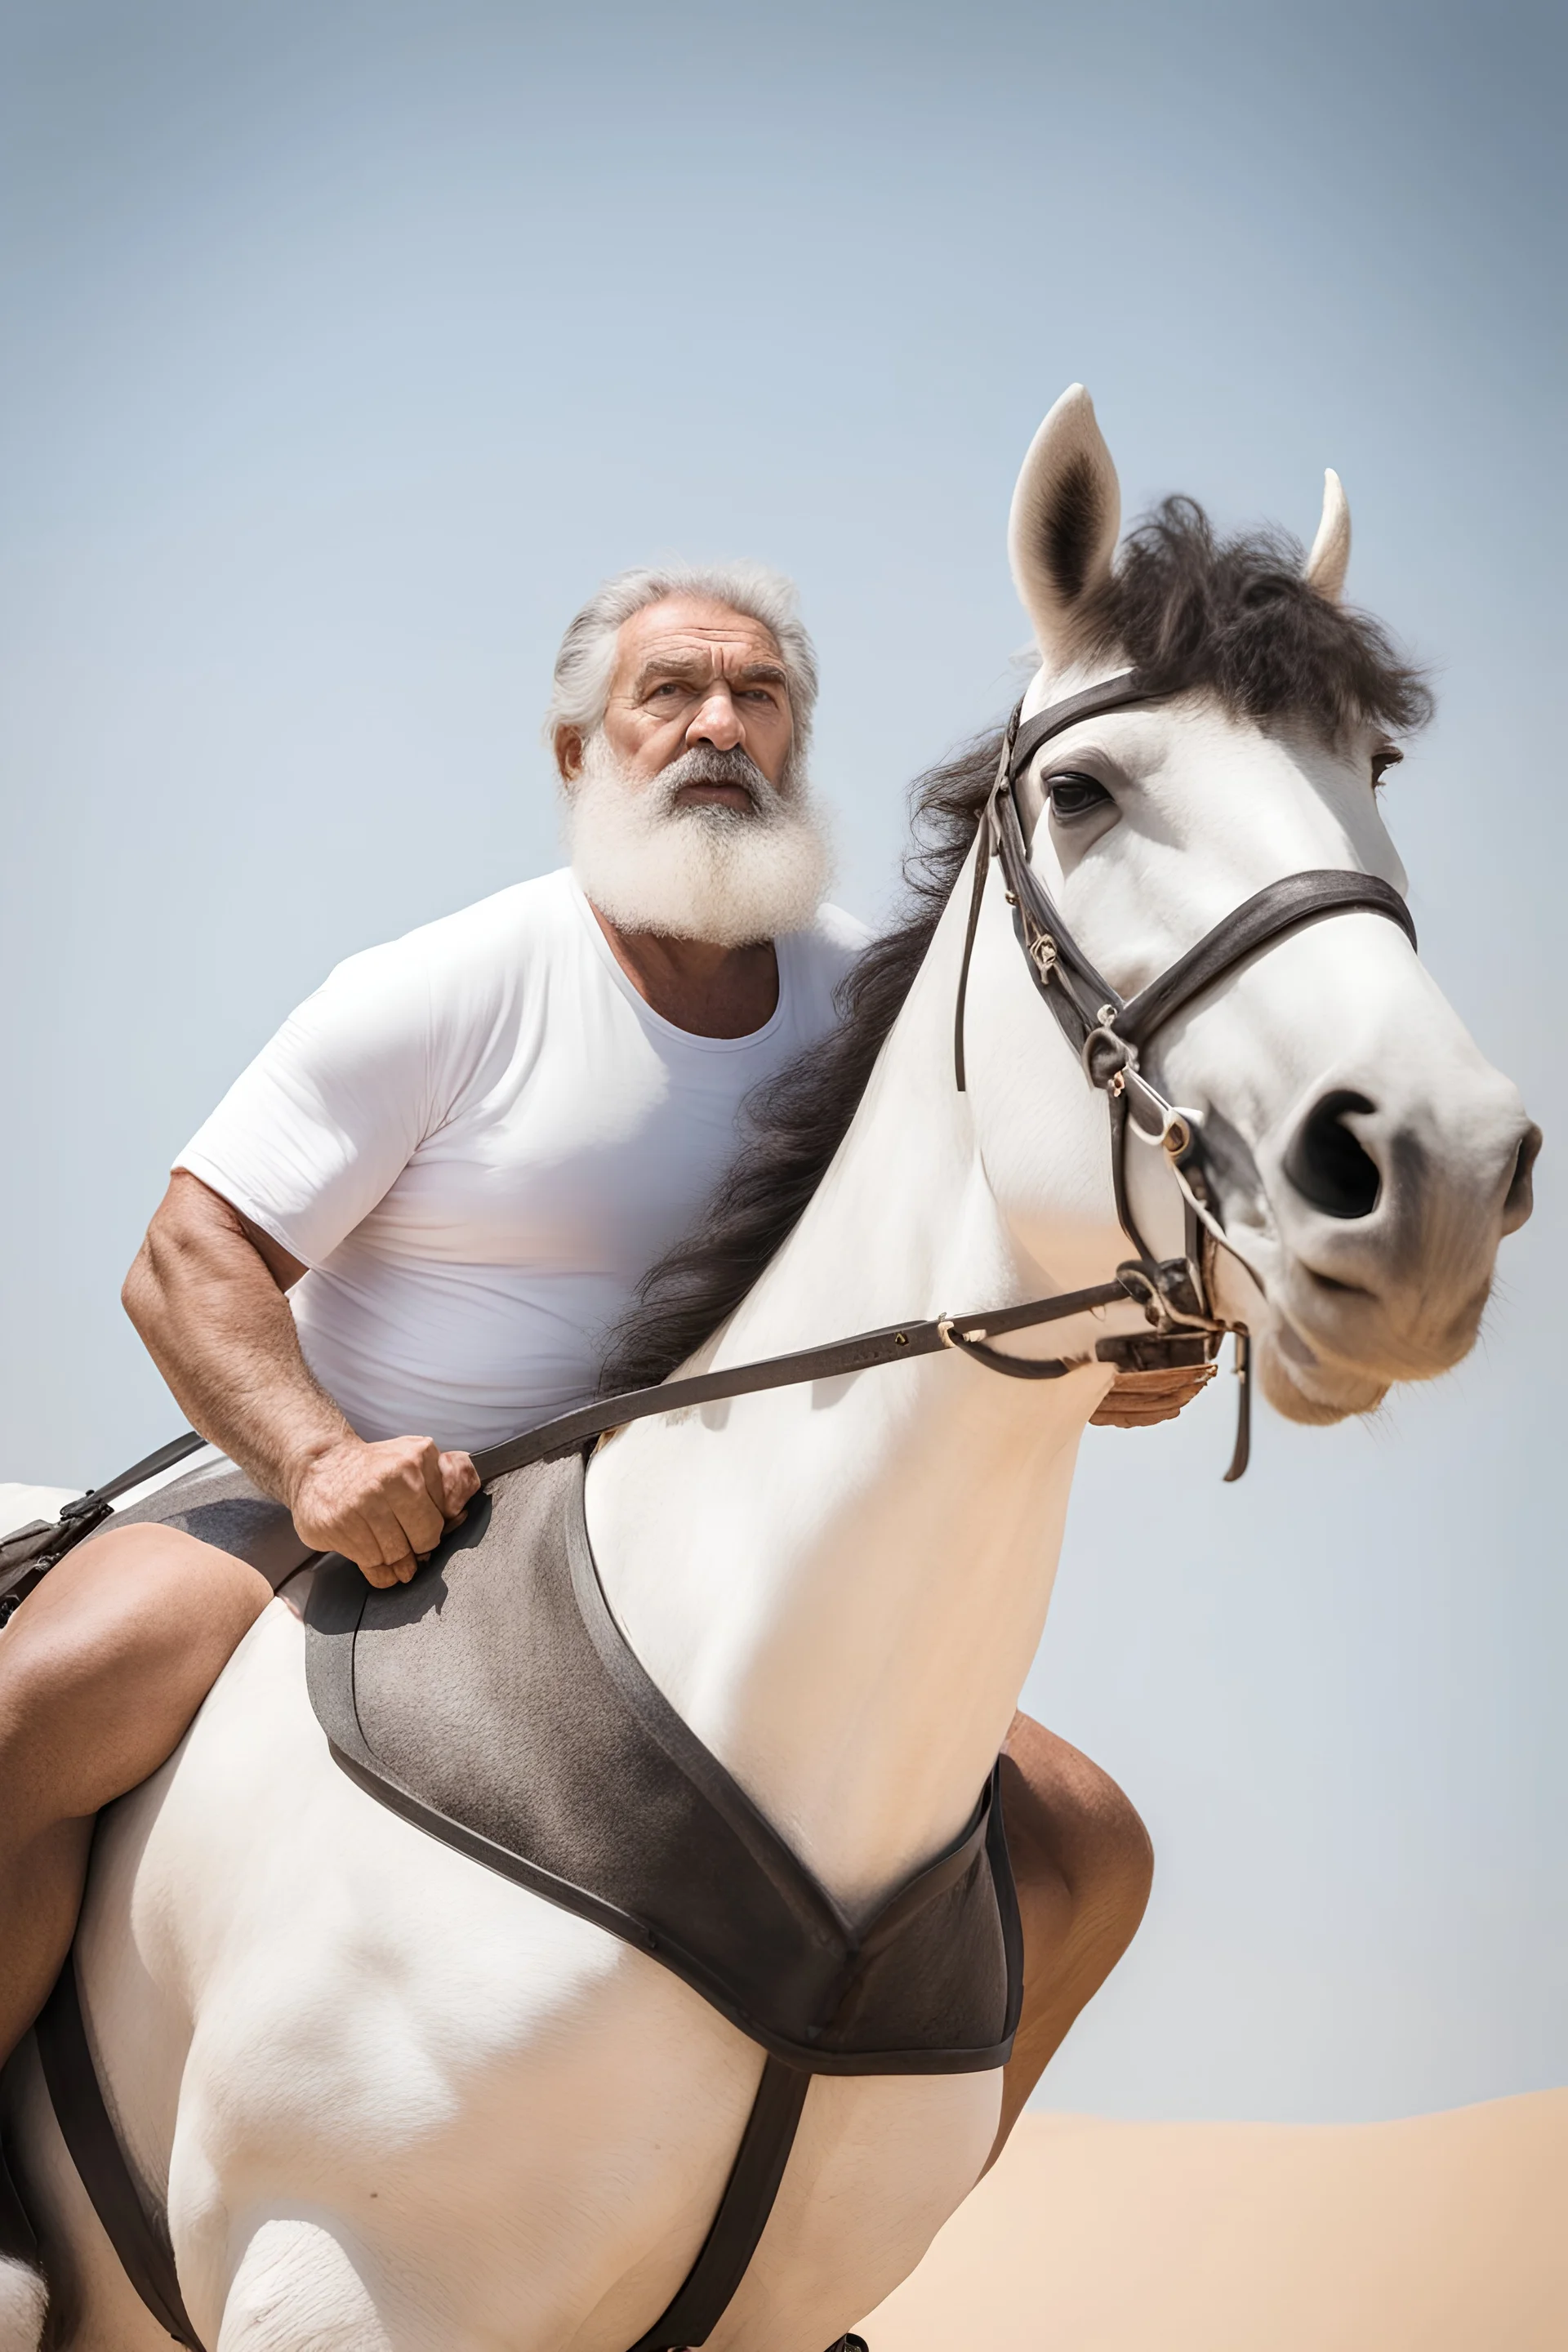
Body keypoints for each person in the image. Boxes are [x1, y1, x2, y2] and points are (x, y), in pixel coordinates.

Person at [0, 561, 1152, 2159]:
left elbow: (990, 1261)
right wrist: (324, 1462)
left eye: (759, 696)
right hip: (378, 1508)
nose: (719, 725)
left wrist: (1118, 1354)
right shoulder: (448, 986)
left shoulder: (880, 1010)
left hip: (723, 1567)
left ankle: (816, 2274)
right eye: (668, 691)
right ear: (575, 754)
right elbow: (188, 1259)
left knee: (1090, 1855)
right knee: (32, 1706)